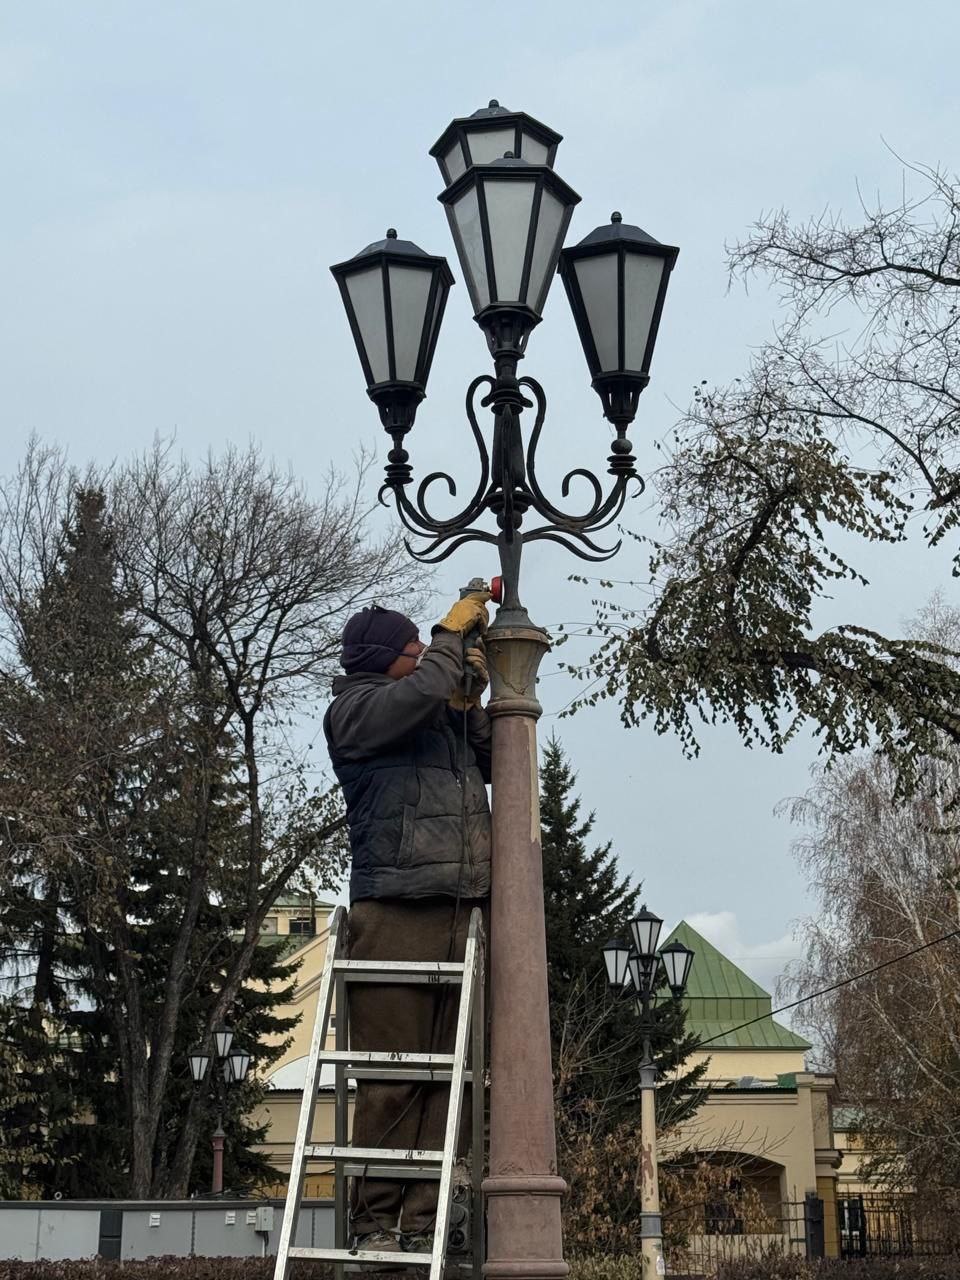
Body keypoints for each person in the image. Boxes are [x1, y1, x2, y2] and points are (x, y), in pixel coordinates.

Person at [323, 593, 493, 1254]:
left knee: (452, 1084)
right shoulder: (356, 711)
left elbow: (501, 761)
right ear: (379, 659)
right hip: (394, 912)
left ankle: (423, 1227)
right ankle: (373, 1227)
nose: (423, 654)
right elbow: (419, 690)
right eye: (412, 649)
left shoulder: (429, 710)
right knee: (393, 1079)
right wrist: (451, 636)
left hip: (464, 908)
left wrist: (471, 703)